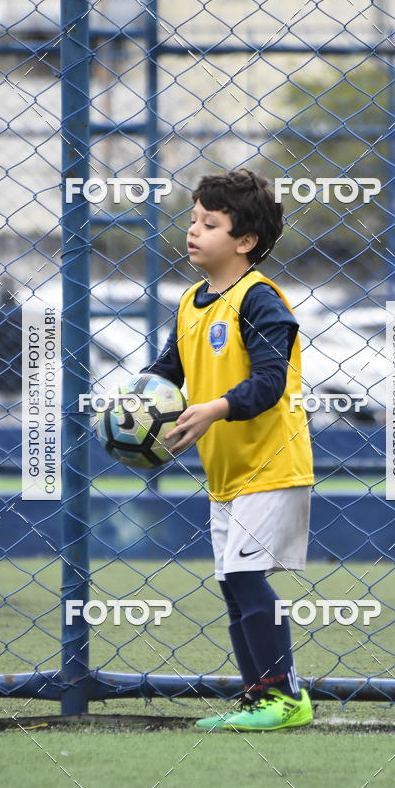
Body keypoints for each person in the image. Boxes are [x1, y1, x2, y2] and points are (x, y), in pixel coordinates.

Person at [141, 168, 314, 731]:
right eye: (192, 219)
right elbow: (167, 371)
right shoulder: (192, 301)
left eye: (208, 223)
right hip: (226, 472)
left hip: (272, 465)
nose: (192, 231)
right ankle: (259, 696)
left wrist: (213, 408)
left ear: (245, 242)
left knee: (244, 579)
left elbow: (269, 382)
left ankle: (283, 698)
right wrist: (129, 404)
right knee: (232, 585)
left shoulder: (260, 300)